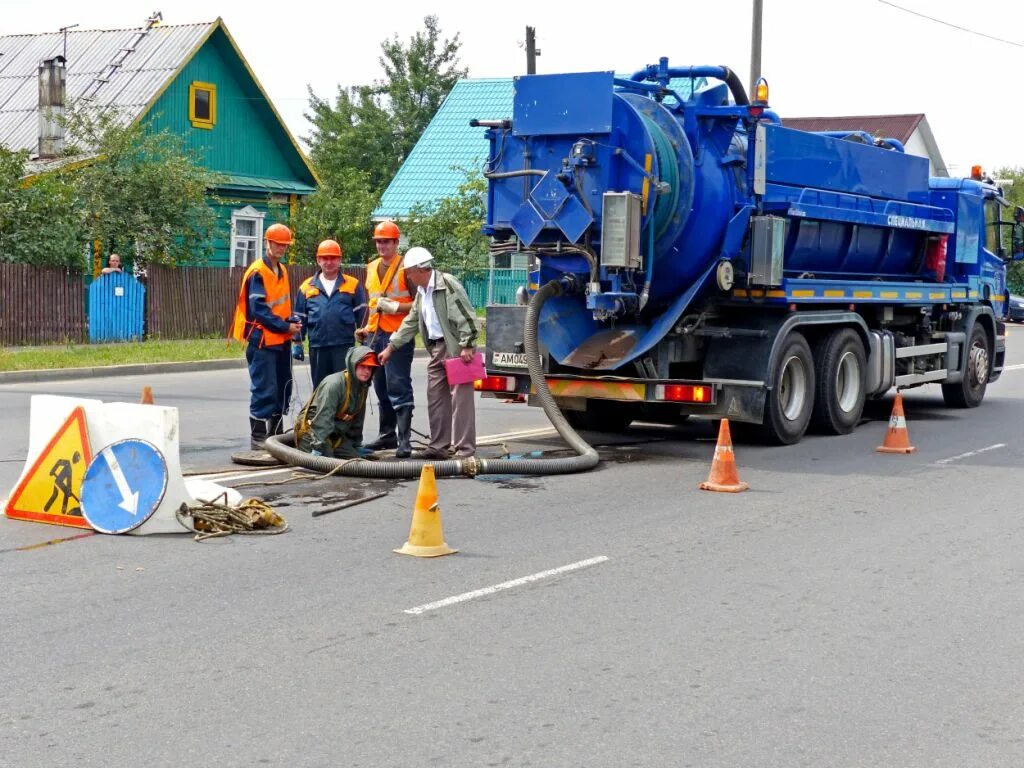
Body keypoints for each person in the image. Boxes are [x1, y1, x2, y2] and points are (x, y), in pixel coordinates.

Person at [378, 247, 479, 459]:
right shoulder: (422, 293)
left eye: (409, 272)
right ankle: (439, 446)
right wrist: (391, 347)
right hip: (436, 348)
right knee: (436, 397)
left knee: (461, 400)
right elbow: (411, 322)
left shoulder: (447, 284)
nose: (408, 276)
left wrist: (467, 344)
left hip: (456, 348)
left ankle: (464, 450)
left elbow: (466, 315)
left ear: (420, 269)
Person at [230, 223, 302, 450]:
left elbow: (281, 304)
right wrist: (285, 327)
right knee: (265, 389)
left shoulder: (282, 270)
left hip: (280, 340)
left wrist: (290, 323)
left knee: (283, 387)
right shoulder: (257, 272)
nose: (281, 248)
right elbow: (259, 310)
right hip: (262, 341)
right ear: (267, 243)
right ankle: (259, 437)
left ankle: (276, 433)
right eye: (277, 244)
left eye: (284, 245)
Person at [355, 220, 416, 458]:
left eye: (386, 241)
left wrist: (395, 307)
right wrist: (365, 329)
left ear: (396, 243)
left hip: (398, 337)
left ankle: (404, 441)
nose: (382, 245)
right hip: (374, 336)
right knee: (380, 388)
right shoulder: (371, 268)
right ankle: (387, 434)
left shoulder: (405, 268)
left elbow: (418, 305)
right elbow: (371, 304)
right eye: (379, 241)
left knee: (398, 386)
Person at [293, 239, 367, 388]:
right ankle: (322, 412)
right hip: (318, 348)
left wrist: (365, 344)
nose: (329, 262)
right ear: (318, 260)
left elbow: (363, 316)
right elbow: (299, 317)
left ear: (339, 260)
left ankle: (344, 413)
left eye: (333, 258)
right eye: (325, 258)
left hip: (345, 347)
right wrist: (297, 342)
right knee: (321, 389)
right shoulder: (306, 287)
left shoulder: (353, 285)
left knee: (344, 388)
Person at [294, 346, 379, 458]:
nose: (367, 371)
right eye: (363, 366)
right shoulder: (333, 385)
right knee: (331, 464)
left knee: (356, 462)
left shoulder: (362, 386)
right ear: (353, 365)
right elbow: (323, 418)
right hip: (313, 434)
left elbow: (358, 418)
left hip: (335, 434)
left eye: (370, 367)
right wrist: (318, 448)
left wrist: (355, 444)